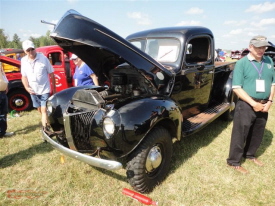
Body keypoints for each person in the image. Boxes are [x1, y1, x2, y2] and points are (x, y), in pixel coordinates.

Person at [227, 35, 275, 174]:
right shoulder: (242, 63)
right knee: (240, 133)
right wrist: (253, 103)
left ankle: (250, 155)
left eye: (264, 47)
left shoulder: (269, 61)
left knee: (257, 132)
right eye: (258, 47)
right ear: (250, 47)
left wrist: (270, 101)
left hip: (264, 104)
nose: (262, 50)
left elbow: (273, 83)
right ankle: (234, 161)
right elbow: (236, 88)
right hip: (247, 104)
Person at [21, 40, 56, 131]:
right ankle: (48, 123)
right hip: (33, 90)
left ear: (34, 48)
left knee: (44, 110)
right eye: (28, 50)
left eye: (32, 49)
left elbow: (51, 73)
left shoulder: (43, 58)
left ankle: (45, 130)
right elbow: (24, 76)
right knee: (40, 110)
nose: (31, 52)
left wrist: (54, 89)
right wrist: (26, 87)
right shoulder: (23, 61)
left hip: (44, 89)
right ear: (25, 51)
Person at [0, 63, 14, 138]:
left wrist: (6, 84)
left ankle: (2, 131)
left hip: (2, 92)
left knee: (3, 113)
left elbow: (3, 75)